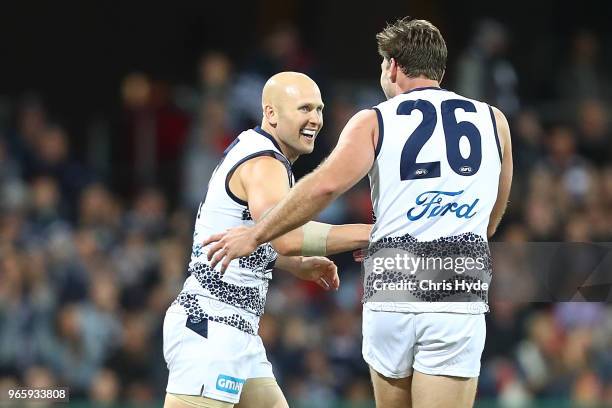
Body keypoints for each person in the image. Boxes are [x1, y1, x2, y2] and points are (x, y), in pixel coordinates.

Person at [204, 18, 513, 408]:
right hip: (456, 283)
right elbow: (495, 205)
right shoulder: (493, 120)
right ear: (441, 70)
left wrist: (256, 232)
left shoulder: (375, 119)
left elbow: (324, 185)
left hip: (392, 283)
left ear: (393, 67)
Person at [163, 71, 371, 408]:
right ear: (271, 113)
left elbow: (251, 236)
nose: (316, 119)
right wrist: (373, 233)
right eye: (304, 108)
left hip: (235, 331)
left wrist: (291, 264)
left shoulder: (259, 150)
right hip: (211, 329)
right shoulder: (265, 162)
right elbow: (286, 237)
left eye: (319, 109)